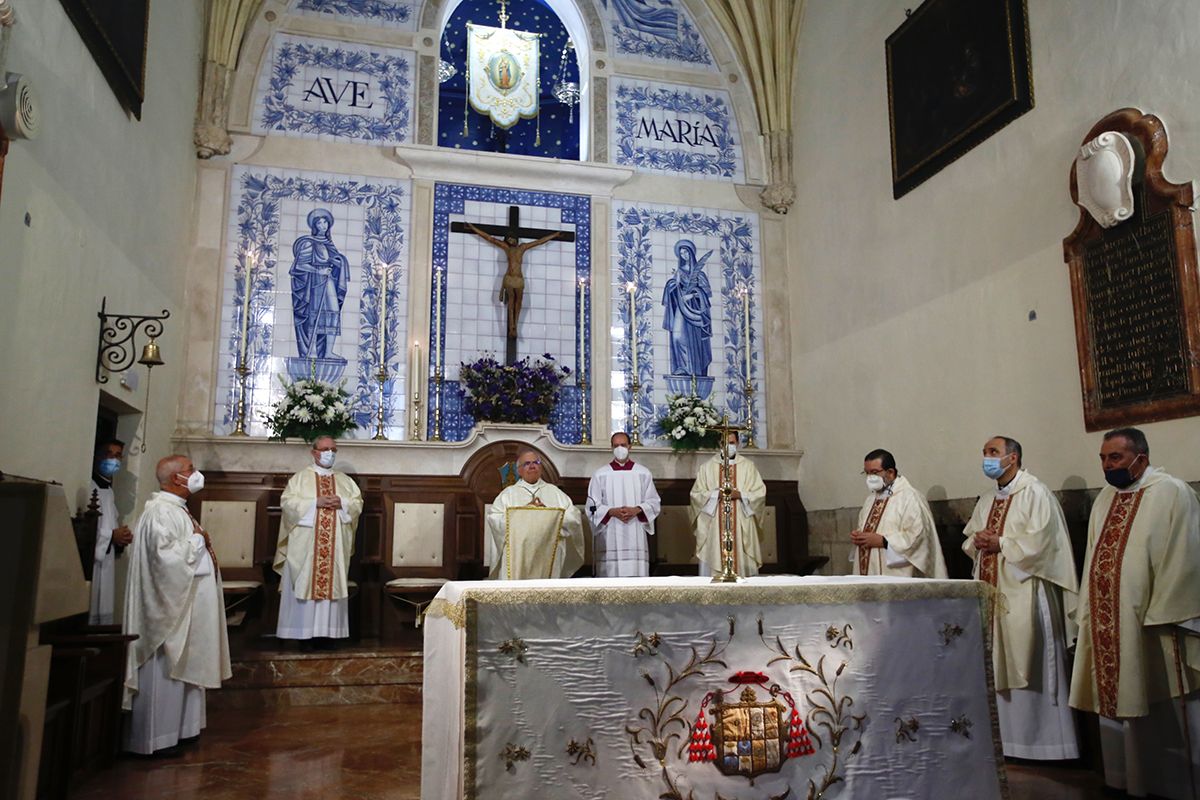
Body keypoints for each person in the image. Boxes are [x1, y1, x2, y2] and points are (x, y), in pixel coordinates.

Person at [1069, 427, 1200, 799]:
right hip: (1112, 623)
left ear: (1140, 458)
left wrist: (1169, 611)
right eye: (1103, 458)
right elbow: (1094, 557)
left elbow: (1187, 555)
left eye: (1116, 458)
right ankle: (1128, 782)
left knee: (1166, 707)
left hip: (1156, 623)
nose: (1107, 466)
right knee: (1123, 704)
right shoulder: (1105, 499)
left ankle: (1178, 787)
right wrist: (1090, 610)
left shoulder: (1172, 493)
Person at [963, 436, 1079, 760]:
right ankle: (1007, 743)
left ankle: (1048, 746)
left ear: (1012, 458)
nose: (986, 458)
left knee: (1031, 659)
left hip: (1026, 591)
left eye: (993, 452)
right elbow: (971, 540)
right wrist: (981, 540)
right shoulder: (987, 499)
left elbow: (1042, 545)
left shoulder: (1035, 493)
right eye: (985, 452)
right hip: (991, 592)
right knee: (995, 661)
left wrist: (1001, 542)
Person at [122, 455, 230, 755]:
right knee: (166, 670)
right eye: (190, 470)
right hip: (168, 614)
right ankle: (156, 738)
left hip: (186, 608)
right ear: (175, 479)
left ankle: (183, 730)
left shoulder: (178, 511)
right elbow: (164, 561)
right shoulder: (159, 512)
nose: (196, 474)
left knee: (185, 668)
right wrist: (196, 543)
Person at [274, 436, 364, 647]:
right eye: (325, 449)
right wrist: (316, 503)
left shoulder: (345, 481)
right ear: (314, 452)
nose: (329, 453)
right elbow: (288, 504)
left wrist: (342, 503)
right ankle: (302, 635)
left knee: (331, 586)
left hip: (334, 548)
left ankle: (329, 635)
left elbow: (357, 504)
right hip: (305, 548)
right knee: (304, 582)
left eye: (333, 449)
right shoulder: (299, 479)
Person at [487, 449, 584, 579]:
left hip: (548, 552)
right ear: (519, 470)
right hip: (518, 553)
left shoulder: (555, 493)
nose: (532, 466)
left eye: (536, 462)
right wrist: (524, 512)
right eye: (527, 463)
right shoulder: (508, 495)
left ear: (541, 468)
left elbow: (574, 518)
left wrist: (549, 514)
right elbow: (495, 520)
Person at [849, 448, 946, 578]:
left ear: (890, 472)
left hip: (898, 580)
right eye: (866, 473)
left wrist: (884, 541)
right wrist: (859, 537)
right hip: (870, 574)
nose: (869, 478)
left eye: (874, 472)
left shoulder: (910, 498)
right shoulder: (870, 500)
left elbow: (918, 538)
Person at [586, 432, 662, 577]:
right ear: (611, 448)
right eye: (616, 446)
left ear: (630, 446)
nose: (619, 448)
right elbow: (591, 506)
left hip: (635, 531)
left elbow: (654, 502)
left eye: (623, 445)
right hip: (611, 531)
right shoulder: (600, 474)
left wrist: (637, 510)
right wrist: (610, 511)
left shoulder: (643, 473)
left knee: (635, 576)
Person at [691, 431, 766, 577]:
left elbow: (760, 493)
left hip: (741, 521)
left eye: (731, 443)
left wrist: (740, 495)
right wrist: (715, 494)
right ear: (720, 444)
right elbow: (695, 495)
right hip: (715, 524)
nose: (728, 446)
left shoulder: (748, 467)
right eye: (724, 443)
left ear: (737, 443)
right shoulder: (707, 468)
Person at [290, 208, 349, 359]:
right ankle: (313, 351)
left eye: (325, 223)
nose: (323, 226)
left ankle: (328, 352)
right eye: (319, 223)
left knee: (333, 313)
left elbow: (332, 261)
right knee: (314, 316)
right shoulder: (309, 243)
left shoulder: (329, 243)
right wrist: (318, 271)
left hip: (328, 282)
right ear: (314, 226)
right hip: (314, 285)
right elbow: (299, 265)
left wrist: (338, 262)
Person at [89, 438, 133, 625]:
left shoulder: (109, 491)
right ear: (98, 456)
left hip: (106, 558)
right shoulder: (90, 485)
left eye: (118, 456)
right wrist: (111, 536)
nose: (114, 460)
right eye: (109, 455)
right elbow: (87, 528)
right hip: (92, 562)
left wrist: (121, 537)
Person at [661, 239, 714, 377]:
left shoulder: (700, 275)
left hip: (695, 310)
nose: (683, 255)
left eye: (686, 252)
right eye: (681, 253)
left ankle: (694, 369)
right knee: (677, 336)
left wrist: (692, 295)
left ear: (691, 254)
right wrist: (674, 284)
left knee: (693, 340)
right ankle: (682, 367)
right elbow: (672, 288)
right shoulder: (679, 272)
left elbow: (706, 293)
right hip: (681, 308)